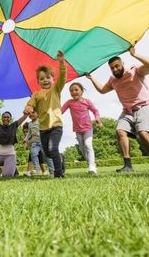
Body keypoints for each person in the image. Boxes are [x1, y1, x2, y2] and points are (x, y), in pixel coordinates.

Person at [86, 47, 149, 172]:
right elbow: (102, 90)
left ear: (122, 64)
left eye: (117, 66)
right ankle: (128, 166)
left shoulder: (135, 71)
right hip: (127, 111)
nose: (115, 69)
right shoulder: (113, 80)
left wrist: (135, 55)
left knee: (143, 133)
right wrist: (91, 77)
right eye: (112, 68)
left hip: (145, 107)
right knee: (120, 131)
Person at [24, 50, 66, 178]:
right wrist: (28, 108)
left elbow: (63, 77)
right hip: (43, 128)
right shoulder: (36, 94)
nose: (45, 80)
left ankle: (58, 174)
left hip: (56, 126)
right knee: (48, 153)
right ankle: (60, 158)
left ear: (53, 79)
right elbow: (30, 103)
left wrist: (62, 63)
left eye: (48, 77)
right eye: (42, 79)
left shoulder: (56, 89)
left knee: (53, 149)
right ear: (38, 81)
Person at [62, 82, 102, 174]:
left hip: (88, 128)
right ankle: (90, 164)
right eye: (71, 91)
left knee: (88, 145)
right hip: (77, 130)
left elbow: (95, 111)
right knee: (82, 149)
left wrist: (97, 119)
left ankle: (92, 167)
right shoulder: (69, 103)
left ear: (82, 91)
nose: (74, 92)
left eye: (76, 90)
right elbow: (61, 110)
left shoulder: (87, 102)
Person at [24, 110, 54, 176]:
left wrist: (37, 134)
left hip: (42, 142)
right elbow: (29, 132)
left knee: (47, 157)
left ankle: (52, 171)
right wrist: (25, 139)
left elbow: (45, 130)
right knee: (33, 153)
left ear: (38, 114)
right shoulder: (30, 124)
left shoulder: (40, 121)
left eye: (33, 112)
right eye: (30, 113)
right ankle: (37, 169)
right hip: (35, 143)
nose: (31, 114)